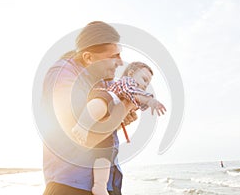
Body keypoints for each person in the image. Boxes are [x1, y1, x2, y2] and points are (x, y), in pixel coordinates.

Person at [42, 21, 137, 195]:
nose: (120, 62)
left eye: (120, 55)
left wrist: (118, 118)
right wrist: (124, 107)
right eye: (113, 56)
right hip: (71, 187)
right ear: (88, 58)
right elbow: (79, 138)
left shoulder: (101, 79)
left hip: (107, 185)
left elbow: (102, 126)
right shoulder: (63, 75)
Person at [72, 61, 166, 195]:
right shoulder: (127, 82)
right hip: (102, 102)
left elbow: (130, 105)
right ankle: (82, 125)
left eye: (147, 83)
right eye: (144, 79)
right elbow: (133, 93)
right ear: (131, 74)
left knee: (106, 152)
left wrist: (125, 117)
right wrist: (150, 100)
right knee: (103, 100)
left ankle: (100, 185)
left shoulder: (134, 96)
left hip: (107, 122)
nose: (145, 84)